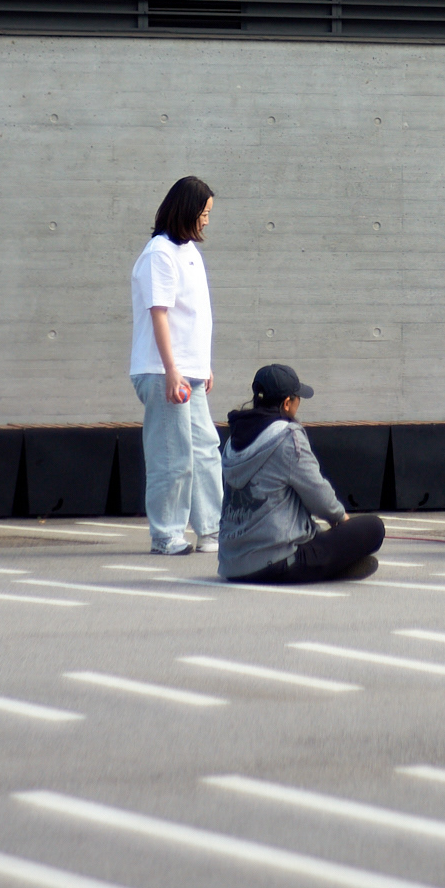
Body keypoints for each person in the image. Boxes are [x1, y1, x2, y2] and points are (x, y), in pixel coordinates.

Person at [219, 364, 386, 585]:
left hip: (232, 565)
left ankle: (330, 564)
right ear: (287, 403)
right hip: (277, 563)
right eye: (298, 398)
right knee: (374, 528)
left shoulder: (233, 439)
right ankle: (333, 567)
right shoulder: (287, 437)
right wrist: (339, 518)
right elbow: (317, 493)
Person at [129, 175, 223, 557]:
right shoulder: (159, 254)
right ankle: (166, 534)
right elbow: (160, 315)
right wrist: (172, 370)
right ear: (187, 210)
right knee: (172, 453)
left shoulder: (188, 253)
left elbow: (194, 317)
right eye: (204, 212)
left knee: (204, 449)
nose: (206, 220)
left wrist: (203, 366)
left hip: (190, 372)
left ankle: (211, 529)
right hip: (162, 371)